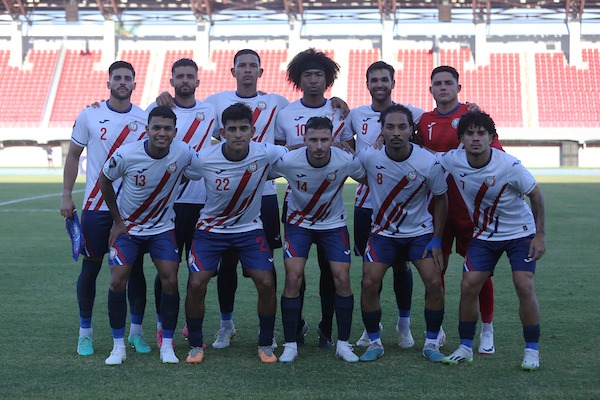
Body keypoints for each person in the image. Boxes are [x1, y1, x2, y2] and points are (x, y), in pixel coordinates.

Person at [438, 111, 545, 371]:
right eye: (470, 133)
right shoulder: (452, 160)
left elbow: (536, 196)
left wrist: (540, 234)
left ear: (491, 138)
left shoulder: (509, 165)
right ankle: (465, 346)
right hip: (485, 236)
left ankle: (532, 350)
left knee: (523, 284)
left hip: (520, 233)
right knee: (469, 285)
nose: (476, 138)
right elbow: (420, 160)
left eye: (481, 133)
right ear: (461, 138)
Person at [183, 103, 287, 364]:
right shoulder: (204, 158)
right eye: (232, 129)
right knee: (196, 283)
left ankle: (265, 343)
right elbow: (181, 173)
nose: (238, 134)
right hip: (210, 230)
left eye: (243, 128)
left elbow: (297, 155)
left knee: (266, 282)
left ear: (253, 131)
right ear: (222, 132)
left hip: (249, 229)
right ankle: (195, 344)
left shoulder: (265, 153)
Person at [60, 61, 149, 357]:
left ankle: (136, 332)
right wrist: (66, 195)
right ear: (108, 82)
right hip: (95, 208)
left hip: (132, 209)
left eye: (128, 78)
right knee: (92, 267)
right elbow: (73, 155)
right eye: (117, 78)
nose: (122, 82)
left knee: (134, 269)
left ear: (134, 84)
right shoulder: (90, 114)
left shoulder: (145, 118)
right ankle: (84, 334)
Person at [416, 65, 503, 354]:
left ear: (458, 87)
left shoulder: (473, 118)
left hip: (472, 210)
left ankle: (487, 329)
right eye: (437, 83)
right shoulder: (423, 120)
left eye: (448, 83)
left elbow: (497, 154)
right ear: (430, 89)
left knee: (480, 273)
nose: (443, 87)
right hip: (437, 209)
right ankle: (437, 327)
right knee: (435, 271)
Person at [99, 106, 194, 365]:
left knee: (170, 281)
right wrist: (118, 221)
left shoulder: (184, 152)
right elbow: (104, 180)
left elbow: (201, 169)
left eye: (167, 128)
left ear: (175, 132)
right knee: (118, 281)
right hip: (129, 229)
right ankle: (118, 347)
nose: (161, 133)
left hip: (162, 228)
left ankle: (166, 345)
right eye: (156, 128)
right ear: (147, 130)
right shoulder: (127, 154)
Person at [352, 104, 448, 363]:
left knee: (434, 282)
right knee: (369, 283)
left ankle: (431, 342)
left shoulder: (428, 162)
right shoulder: (369, 158)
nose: (396, 132)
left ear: (411, 130)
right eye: (390, 127)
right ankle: (374, 341)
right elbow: (346, 168)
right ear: (381, 131)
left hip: (420, 233)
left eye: (402, 127)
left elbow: (441, 198)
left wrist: (437, 238)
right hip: (382, 234)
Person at [274, 48, 353, 348]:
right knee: (297, 271)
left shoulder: (340, 111)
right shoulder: (286, 113)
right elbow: (279, 155)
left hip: (331, 205)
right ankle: (295, 329)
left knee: (330, 272)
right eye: (307, 74)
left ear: (327, 78)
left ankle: (327, 327)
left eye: (318, 74)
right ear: (298, 79)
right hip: (297, 204)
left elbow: (348, 150)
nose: (313, 80)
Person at [270, 116, 366, 363]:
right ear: (304, 140)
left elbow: (367, 177)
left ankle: (343, 344)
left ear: (333, 139)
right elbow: (260, 170)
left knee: (342, 278)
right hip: (298, 223)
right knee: (293, 276)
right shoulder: (289, 160)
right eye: (313, 140)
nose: (320, 146)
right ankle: (290, 344)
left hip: (333, 224)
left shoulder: (345, 160)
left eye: (325, 139)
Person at [347, 61, 426, 349]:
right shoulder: (355, 115)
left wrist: (470, 108)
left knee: (401, 266)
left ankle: (403, 325)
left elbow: (441, 118)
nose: (379, 84)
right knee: (371, 269)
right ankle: (372, 327)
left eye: (384, 79)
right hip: (366, 204)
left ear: (393, 83)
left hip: (403, 206)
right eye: (374, 80)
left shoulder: (412, 114)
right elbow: (344, 146)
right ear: (366, 84)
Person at [147, 58, 218, 347]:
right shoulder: (160, 111)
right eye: (180, 76)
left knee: (198, 269)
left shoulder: (210, 110)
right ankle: (163, 326)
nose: (185, 80)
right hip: (170, 204)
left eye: (190, 75)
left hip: (203, 203)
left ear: (198, 81)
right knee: (167, 268)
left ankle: (190, 323)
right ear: (172, 80)